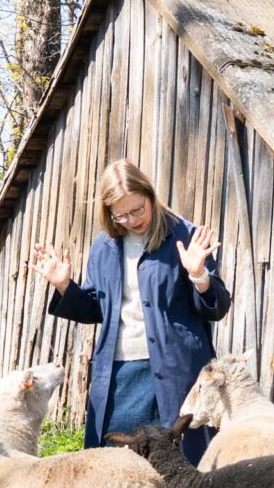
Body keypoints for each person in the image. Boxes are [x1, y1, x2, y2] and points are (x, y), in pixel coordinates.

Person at [30, 158, 231, 464]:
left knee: (179, 467)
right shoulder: (104, 246)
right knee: (115, 465)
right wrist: (64, 286)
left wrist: (199, 275)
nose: (132, 220)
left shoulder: (184, 236)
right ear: (109, 213)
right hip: (120, 375)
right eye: (121, 215)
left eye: (138, 209)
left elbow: (216, 308)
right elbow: (98, 309)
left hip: (176, 374)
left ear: (150, 195)